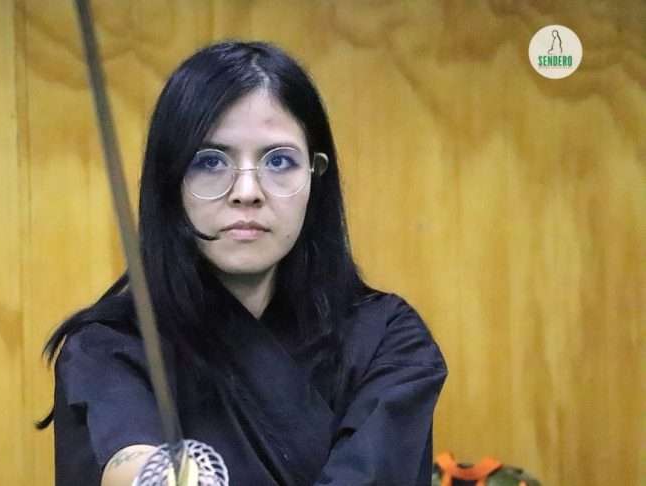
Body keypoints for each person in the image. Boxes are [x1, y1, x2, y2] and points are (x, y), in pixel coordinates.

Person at [38, 40, 447, 486]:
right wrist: (157, 475)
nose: (247, 192)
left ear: (316, 175)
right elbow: (127, 458)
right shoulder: (109, 346)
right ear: (170, 182)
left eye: (280, 161)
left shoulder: (389, 340)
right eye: (211, 161)